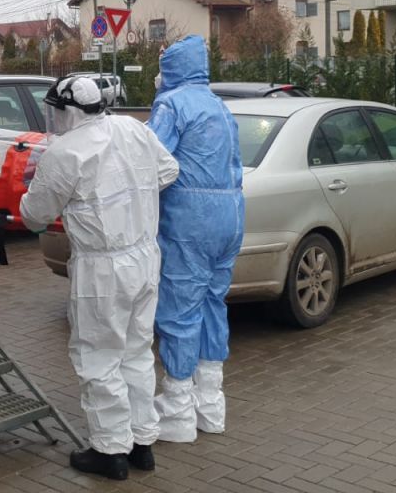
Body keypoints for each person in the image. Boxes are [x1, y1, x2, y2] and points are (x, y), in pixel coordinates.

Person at [20, 76, 179, 480]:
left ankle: (110, 452)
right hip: (145, 257)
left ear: (68, 111)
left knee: (99, 356)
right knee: (136, 352)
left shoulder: (64, 152)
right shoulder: (131, 128)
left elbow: (35, 215)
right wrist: (130, 192)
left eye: (56, 111)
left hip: (102, 268)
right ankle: (142, 443)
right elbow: (168, 171)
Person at [148, 35, 245, 443]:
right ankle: (210, 405)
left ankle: (177, 413)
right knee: (212, 306)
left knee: (180, 311)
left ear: (171, 67)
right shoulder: (220, 106)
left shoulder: (172, 106)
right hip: (230, 218)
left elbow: (151, 160)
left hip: (190, 221)